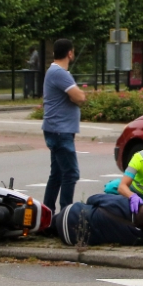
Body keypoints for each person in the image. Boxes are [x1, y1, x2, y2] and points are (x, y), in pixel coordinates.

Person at [42, 38, 85, 213]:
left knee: (57, 175)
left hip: (56, 130)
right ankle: (66, 214)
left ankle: (48, 213)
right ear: (70, 53)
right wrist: (78, 95)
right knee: (71, 174)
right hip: (60, 132)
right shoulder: (59, 73)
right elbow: (80, 97)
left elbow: (75, 96)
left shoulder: (55, 72)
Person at [53, 194, 143, 248]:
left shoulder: (121, 203)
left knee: (52, 223)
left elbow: (91, 199)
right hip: (71, 238)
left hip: (69, 212)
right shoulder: (136, 237)